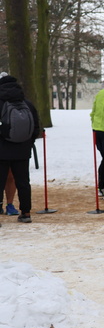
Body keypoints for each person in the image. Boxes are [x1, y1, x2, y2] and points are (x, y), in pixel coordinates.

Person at [0, 75, 40, 224]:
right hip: (22, 150)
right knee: (23, 182)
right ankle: (26, 213)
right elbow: (36, 127)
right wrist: (28, 143)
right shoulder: (27, 104)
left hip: (2, 150)